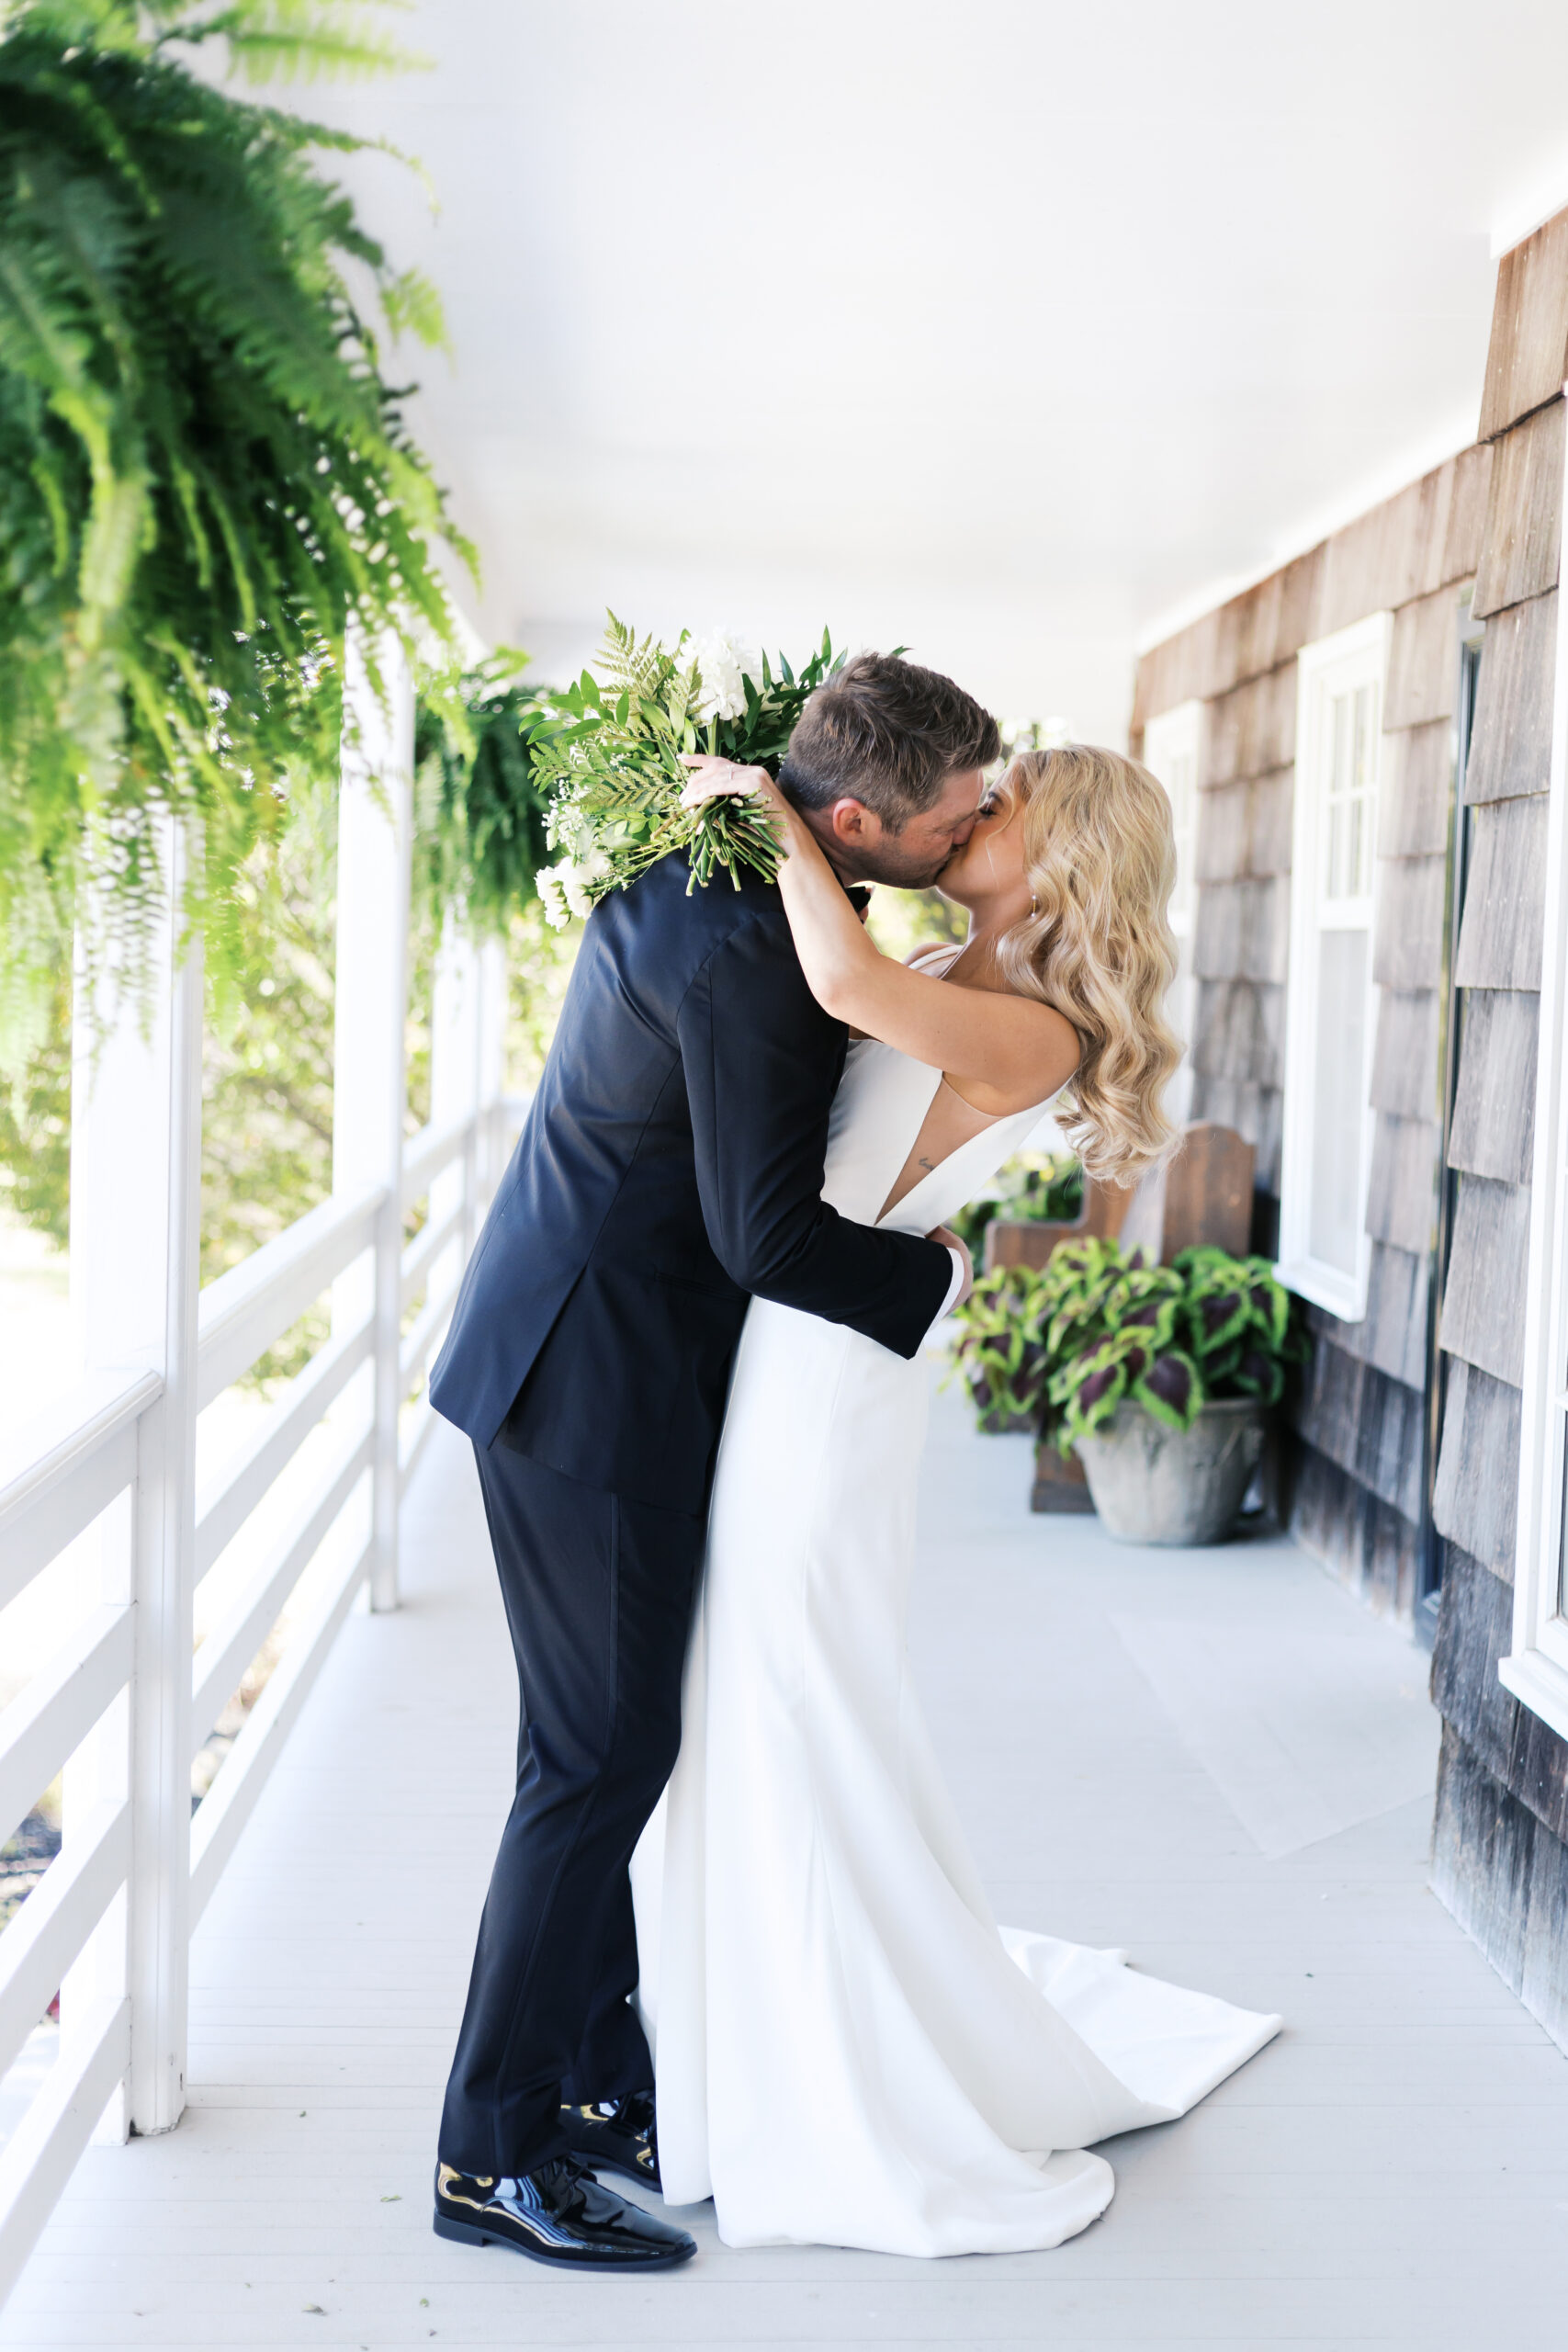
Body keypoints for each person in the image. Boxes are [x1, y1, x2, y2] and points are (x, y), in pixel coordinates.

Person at [628, 739, 1282, 2256]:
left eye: (1005, 809)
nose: (972, 816)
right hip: (790, 1349)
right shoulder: (939, 954)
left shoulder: (1034, 1031)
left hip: (828, 1391)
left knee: (789, 1695)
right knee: (748, 1690)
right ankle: (733, 2040)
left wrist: (774, 812)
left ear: (1063, 863)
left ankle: (826, 2074)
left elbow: (846, 997)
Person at [424, 653, 1000, 2271]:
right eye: (955, 826)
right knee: (594, 1765)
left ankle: (603, 2088)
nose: (971, 843)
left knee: (608, 1751)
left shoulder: (737, 861)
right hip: (592, 1385)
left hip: (582, 1357)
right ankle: (492, 2154)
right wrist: (941, 1281)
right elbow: (764, 1237)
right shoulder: (754, 948)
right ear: (862, 817)